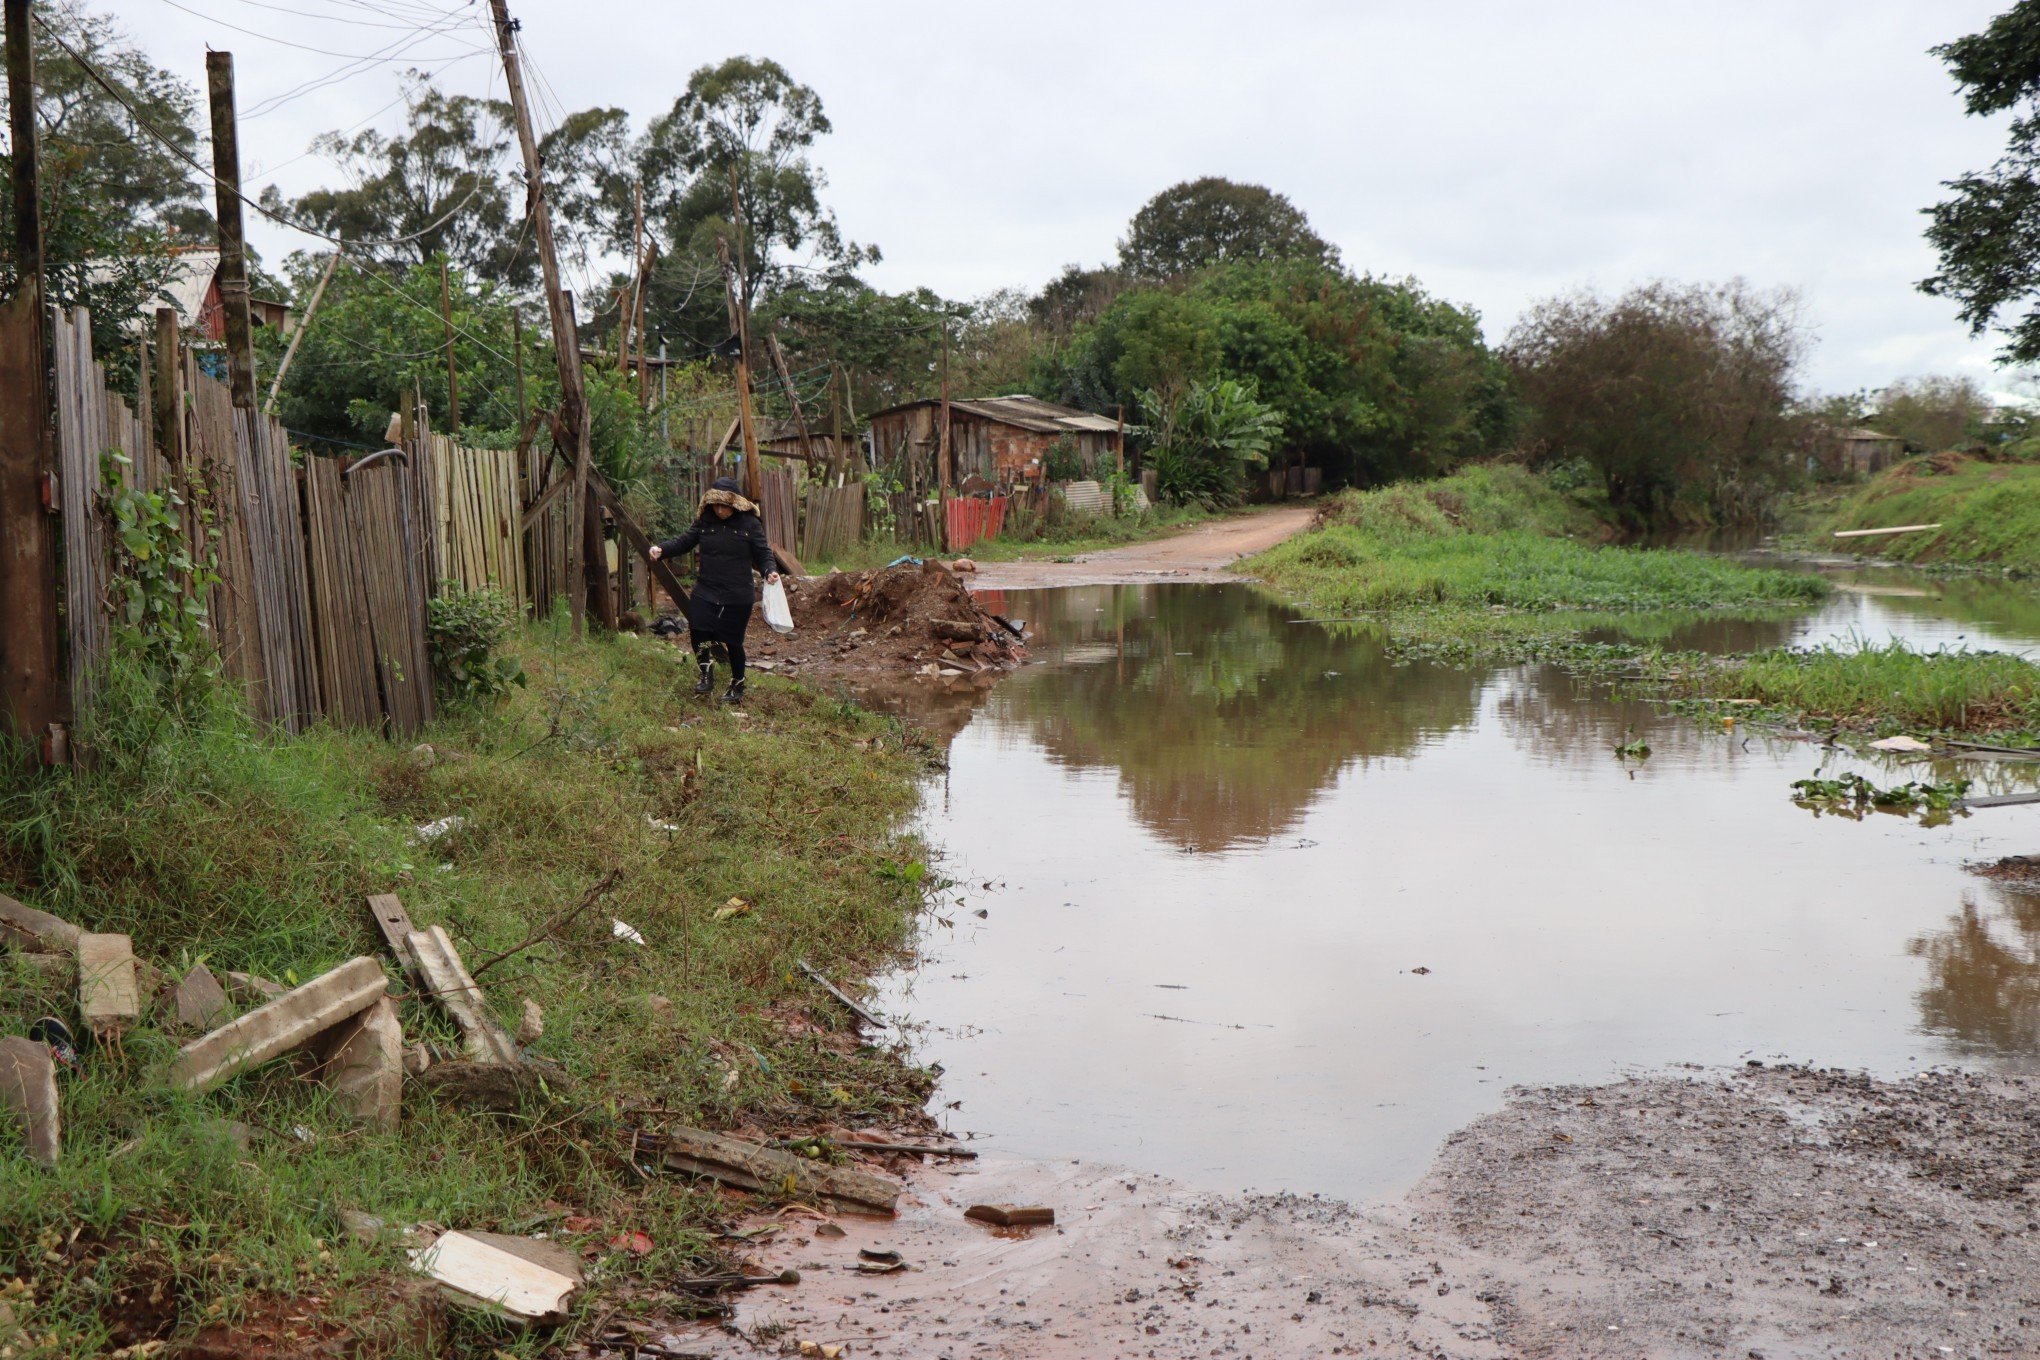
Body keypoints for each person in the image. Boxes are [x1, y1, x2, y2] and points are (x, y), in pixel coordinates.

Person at [649, 476, 781, 703]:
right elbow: (685, 541)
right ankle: (705, 671)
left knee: (733, 641)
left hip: (738, 592)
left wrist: (770, 570)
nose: (721, 511)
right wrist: (662, 549)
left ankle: (738, 684)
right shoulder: (705, 521)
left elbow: (763, 552)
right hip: (707, 588)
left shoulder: (750, 524)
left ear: (735, 504)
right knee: (699, 629)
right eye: (717, 505)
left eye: (725, 506)